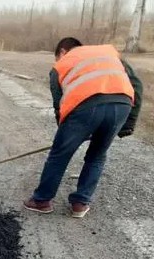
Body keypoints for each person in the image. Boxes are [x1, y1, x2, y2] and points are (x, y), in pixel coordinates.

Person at [24, 37, 142, 218]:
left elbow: (59, 105)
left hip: (85, 106)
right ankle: (80, 204)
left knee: (59, 155)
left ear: (62, 52)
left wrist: (67, 136)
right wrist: (129, 124)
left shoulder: (61, 64)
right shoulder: (109, 53)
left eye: (57, 57)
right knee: (97, 155)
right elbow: (137, 85)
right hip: (122, 104)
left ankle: (42, 201)